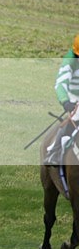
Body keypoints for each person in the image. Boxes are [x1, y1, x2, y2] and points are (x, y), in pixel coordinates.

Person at [43, 34, 79, 165]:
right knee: (76, 118)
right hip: (75, 100)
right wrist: (65, 101)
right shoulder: (69, 62)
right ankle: (55, 152)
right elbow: (60, 84)